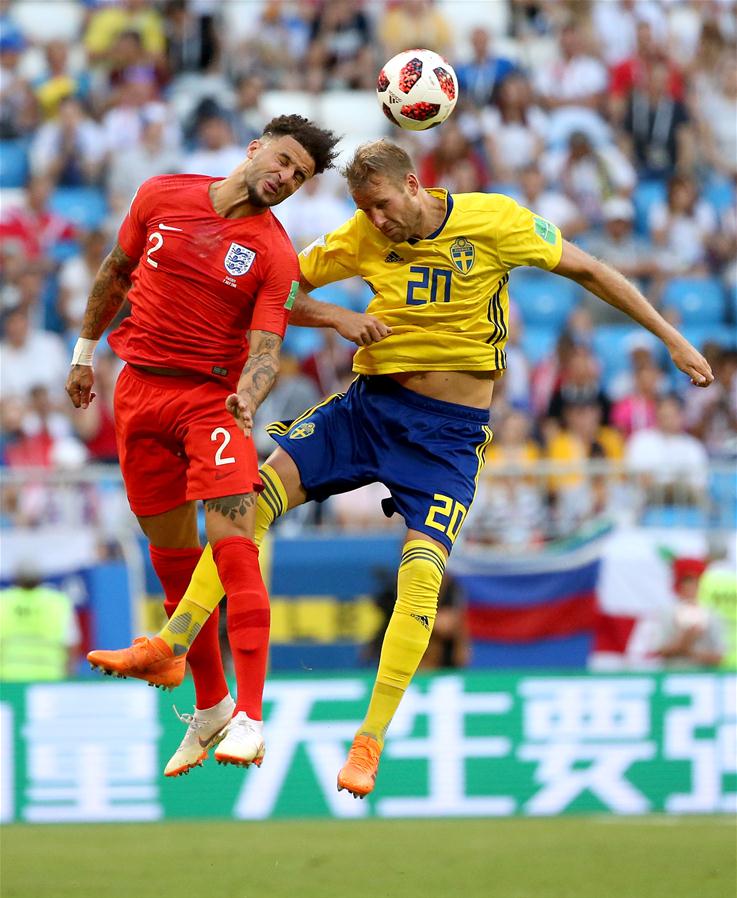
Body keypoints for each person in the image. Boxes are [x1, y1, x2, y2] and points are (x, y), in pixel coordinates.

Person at [89, 139, 714, 798]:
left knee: (421, 576)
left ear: (413, 185)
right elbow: (277, 290)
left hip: (444, 439)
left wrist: (671, 338)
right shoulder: (359, 234)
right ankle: (174, 641)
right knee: (250, 499)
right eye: (365, 210)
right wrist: (335, 316)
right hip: (368, 408)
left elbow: (588, 270)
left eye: (382, 206)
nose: (376, 222)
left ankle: (369, 740)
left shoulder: (495, 221)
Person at [72, 116, 342, 776]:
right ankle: (212, 706)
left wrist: (248, 397)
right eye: (281, 161)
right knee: (171, 564)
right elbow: (115, 271)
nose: (284, 178)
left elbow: (266, 347)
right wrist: (83, 353)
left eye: (299, 177)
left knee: (234, 548)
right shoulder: (161, 194)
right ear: (253, 150)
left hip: (210, 405)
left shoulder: (273, 252)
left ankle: (249, 715)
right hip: (136, 394)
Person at [0, 563, 80, 681]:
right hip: (50, 678)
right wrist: (69, 673)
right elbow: (72, 644)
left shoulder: (3, 601)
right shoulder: (57, 602)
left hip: (8, 679)